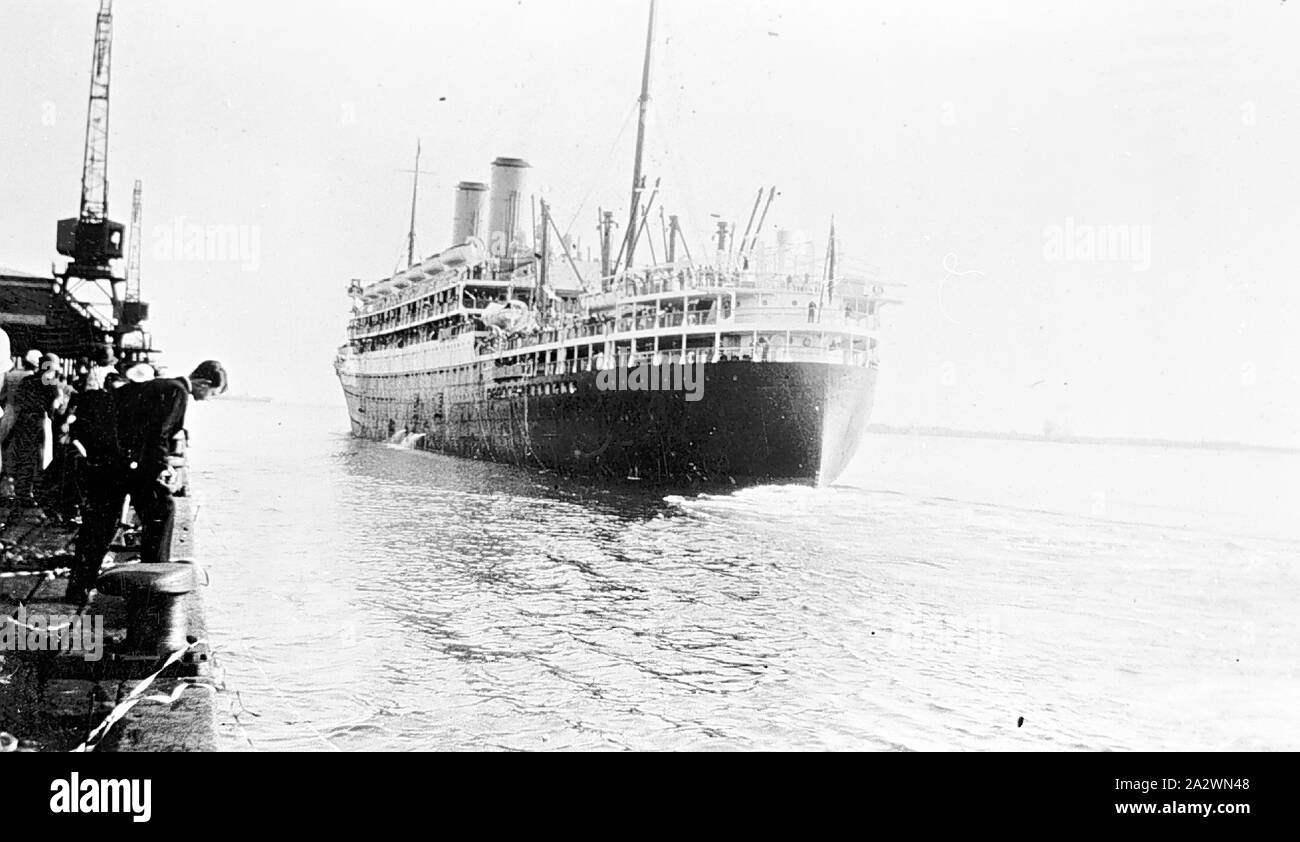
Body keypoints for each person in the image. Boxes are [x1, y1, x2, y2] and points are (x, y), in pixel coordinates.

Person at [66, 374, 189, 604]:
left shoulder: (159, 385)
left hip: (111, 453)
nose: (207, 398)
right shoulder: (178, 391)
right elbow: (158, 432)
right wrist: (162, 467)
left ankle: (78, 588)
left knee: (100, 522)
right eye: (212, 393)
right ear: (205, 383)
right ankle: (153, 587)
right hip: (126, 459)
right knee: (162, 510)